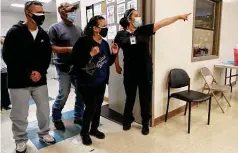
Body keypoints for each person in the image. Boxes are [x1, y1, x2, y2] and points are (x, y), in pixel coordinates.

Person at [114, 8, 191, 135]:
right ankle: (127, 120)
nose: (139, 18)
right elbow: (115, 50)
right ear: (129, 19)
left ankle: (145, 123)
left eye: (139, 15)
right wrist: (117, 65)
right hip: (129, 72)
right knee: (130, 98)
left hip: (145, 71)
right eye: (136, 16)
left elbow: (162, 23)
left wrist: (178, 16)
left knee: (145, 98)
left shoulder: (144, 30)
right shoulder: (121, 35)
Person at [2, 1, 56, 153]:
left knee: (44, 110)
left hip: (40, 80)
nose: (42, 15)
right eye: (38, 12)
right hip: (18, 81)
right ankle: (20, 139)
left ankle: (44, 133)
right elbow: (9, 56)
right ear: (28, 13)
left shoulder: (43, 34)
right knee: (19, 113)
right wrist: (28, 72)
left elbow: (46, 56)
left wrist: (40, 71)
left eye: (42, 12)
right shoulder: (15, 32)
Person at [70, 15, 119, 145]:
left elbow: (107, 62)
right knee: (91, 107)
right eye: (104, 26)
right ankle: (84, 132)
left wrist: (114, 54)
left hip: (100, 82)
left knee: (98, 108)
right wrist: (89, 55)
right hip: (86, 83)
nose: (106, 28)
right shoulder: (84, 41)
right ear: (95, 28)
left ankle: (94, 129)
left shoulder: (103, 43)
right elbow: (74, 61)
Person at [48, 2, 84, 130]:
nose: (72, 13)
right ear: (61, 12)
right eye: (69, 11)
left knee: (81, 93)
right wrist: (69, 49)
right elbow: (52, 47)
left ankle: (79, 116)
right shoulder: (55, 28)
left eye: (73, 11)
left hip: (78, 66)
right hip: (63, 67)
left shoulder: (78, 29)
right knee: (64, 93)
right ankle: (56, 117)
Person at [1, 37, 11, 110]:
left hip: (3, 68)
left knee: (4, 88)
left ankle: (6, 104)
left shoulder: (2, 42)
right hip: (3, 68)